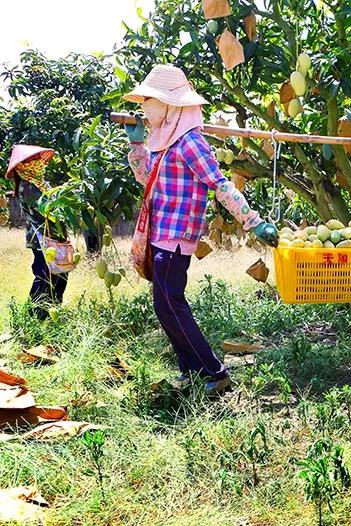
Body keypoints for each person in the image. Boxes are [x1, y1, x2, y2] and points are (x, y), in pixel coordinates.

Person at [123, 64, 278, 395]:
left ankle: (214, 372)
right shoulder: (162, 141)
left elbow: (220, 185)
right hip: (160, 231)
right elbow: (145, 180)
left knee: (170, 303)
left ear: (170, 104)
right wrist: (136, 148)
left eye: (148, 100)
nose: (143, 108)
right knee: (165, 305)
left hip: (177, 235)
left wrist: (253, 222)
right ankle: (191, 370)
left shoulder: (191, 142)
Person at [5, 145, 70, 320]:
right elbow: (46, 212)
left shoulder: (40, 184)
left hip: (54, 238)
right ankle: (35, 317)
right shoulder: (27, 187)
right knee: (44, 276)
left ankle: (52, 312)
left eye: (37, 159)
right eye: (32, 160)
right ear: (22, 166)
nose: (38, 163)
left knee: (60, 275)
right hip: (43, 240)